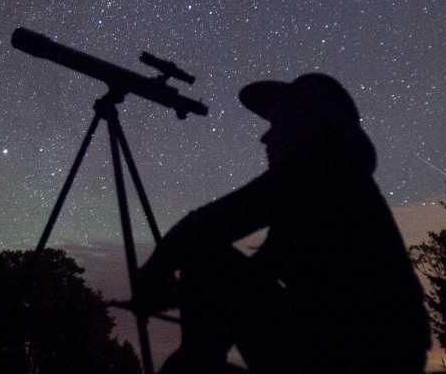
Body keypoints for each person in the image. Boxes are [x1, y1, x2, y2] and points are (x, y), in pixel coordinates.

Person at [138, 73, 430, 373]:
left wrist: (153, 276)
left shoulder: (316, 172)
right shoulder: (338, 182)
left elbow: (206, 226)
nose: (266, 137)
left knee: (205, 261)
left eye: (279, 123)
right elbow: (259, 272)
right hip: (368, 350)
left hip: (358, 355)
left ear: (310, 124)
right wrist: (192, 300)